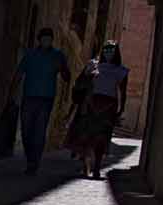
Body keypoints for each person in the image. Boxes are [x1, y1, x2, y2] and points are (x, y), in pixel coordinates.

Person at [10, 28, 72, 175]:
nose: (46, 41)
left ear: (52, 40)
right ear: (39, 39)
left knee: (39, 131)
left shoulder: (58, 56)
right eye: (44, 38)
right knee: (26, 130)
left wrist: (62, 69)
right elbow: (19, 74)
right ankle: (30, 157)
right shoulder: (30, 55)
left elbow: (67, 77)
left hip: (46, 99)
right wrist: (10, 94)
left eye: (49, 39)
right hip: (29, 97)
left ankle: (34, 162)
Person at [66, 41, 128, 180]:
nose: (108, 53)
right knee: (86, 136)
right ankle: (85, 166)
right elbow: (81, 81)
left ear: (116, 52)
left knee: (101, 138)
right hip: (91, 103)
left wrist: (121, 109)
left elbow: (122, 91)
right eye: (106, 50)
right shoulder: (93, 64)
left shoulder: (121, 71)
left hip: (108, 106)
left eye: (111, 51)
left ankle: (97, 167)